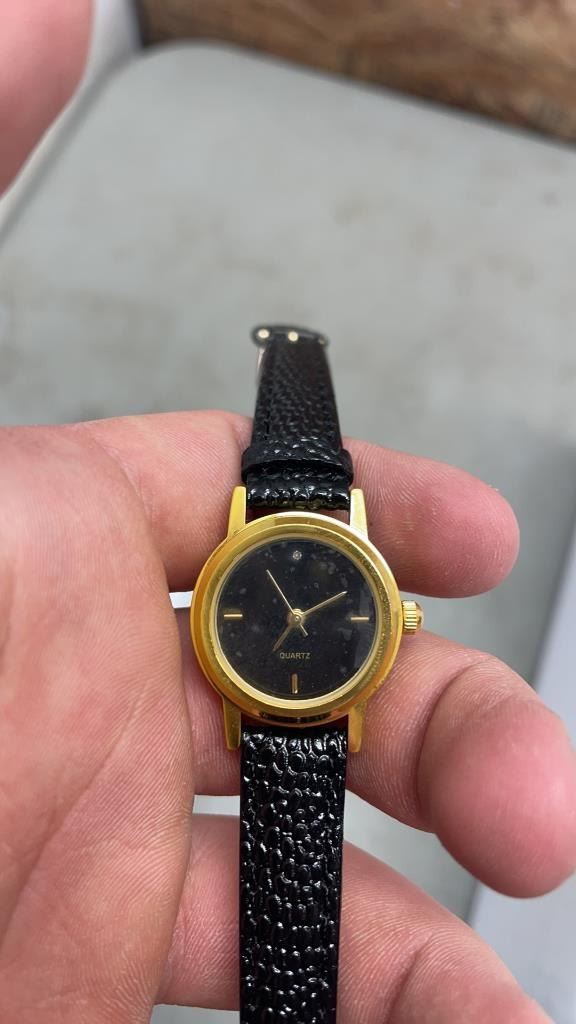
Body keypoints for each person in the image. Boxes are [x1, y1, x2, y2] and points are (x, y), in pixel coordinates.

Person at [1, 6, 575, 1022]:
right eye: (291, 604)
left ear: (388, 618)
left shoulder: (313, 617)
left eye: (327, 609)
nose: (302, 613)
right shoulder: (265, 581)